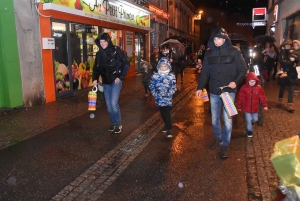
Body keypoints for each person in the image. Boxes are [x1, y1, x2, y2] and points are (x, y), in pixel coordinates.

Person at [195, 27, 247, 158]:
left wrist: (236, 81)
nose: (218, 41)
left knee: (227, 119)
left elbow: (243, 69)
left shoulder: (234, 52)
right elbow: (205, 72)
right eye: (216, 38)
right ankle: (217, 138)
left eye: (221, 38)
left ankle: (225, 144)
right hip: (213, 91)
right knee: (214, 118)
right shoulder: (209, 53)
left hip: (228, 92)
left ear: (225, 39)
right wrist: (200, 88)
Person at [92, 32, 130, 134]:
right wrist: (95, 79)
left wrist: (120, 77)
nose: (103, 43)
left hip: (115, 81)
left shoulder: (116, 50)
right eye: (101, 41)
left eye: (104, 41)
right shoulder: (99, 54)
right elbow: (96, 68)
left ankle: (118, 124)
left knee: (113, 103)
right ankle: (113, 124)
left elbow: (126, 63)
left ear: (108, 41)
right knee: (109, 106)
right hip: (106, 82)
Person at [149, 57, 177, 138]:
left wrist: (169, 93)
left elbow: (174, 87)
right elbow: (151, 86)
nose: (163, 68)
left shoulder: (171, 77)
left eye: (165, 66)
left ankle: (169, 129)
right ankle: (166, 124)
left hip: (167, 98)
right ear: (159, 67)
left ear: (168, 66)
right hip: (159, 98)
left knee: (167, 113)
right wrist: (155, 94)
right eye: (161, 66)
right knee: (162, 113)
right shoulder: (155, 76)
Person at [237, 72, 268, 138]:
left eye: (253, 82)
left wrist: (265, 105)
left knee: (255, 119)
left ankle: (251, 122)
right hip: (246, 108)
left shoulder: (259, 88)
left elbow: (262, 97)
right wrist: (239, 106)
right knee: (248, 120)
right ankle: (249, 131)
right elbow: (240, 98)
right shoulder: (244, 88)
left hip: (255, 108)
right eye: (250, 82)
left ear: (256, 81)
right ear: (248, 81)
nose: (252, 83)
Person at [277, 39, 298, 113]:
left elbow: (296, 60)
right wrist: (290, 63)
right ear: (284, 45)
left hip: (291, 73)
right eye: (287, 45)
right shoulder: (281, 53)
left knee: (291, 89)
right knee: (282, 87)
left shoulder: (293, 52)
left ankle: (289, 105)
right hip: (283, 72)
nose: (288, 46)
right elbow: (281, 61)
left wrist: (294, 62)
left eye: (289, 45)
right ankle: (280, 101)